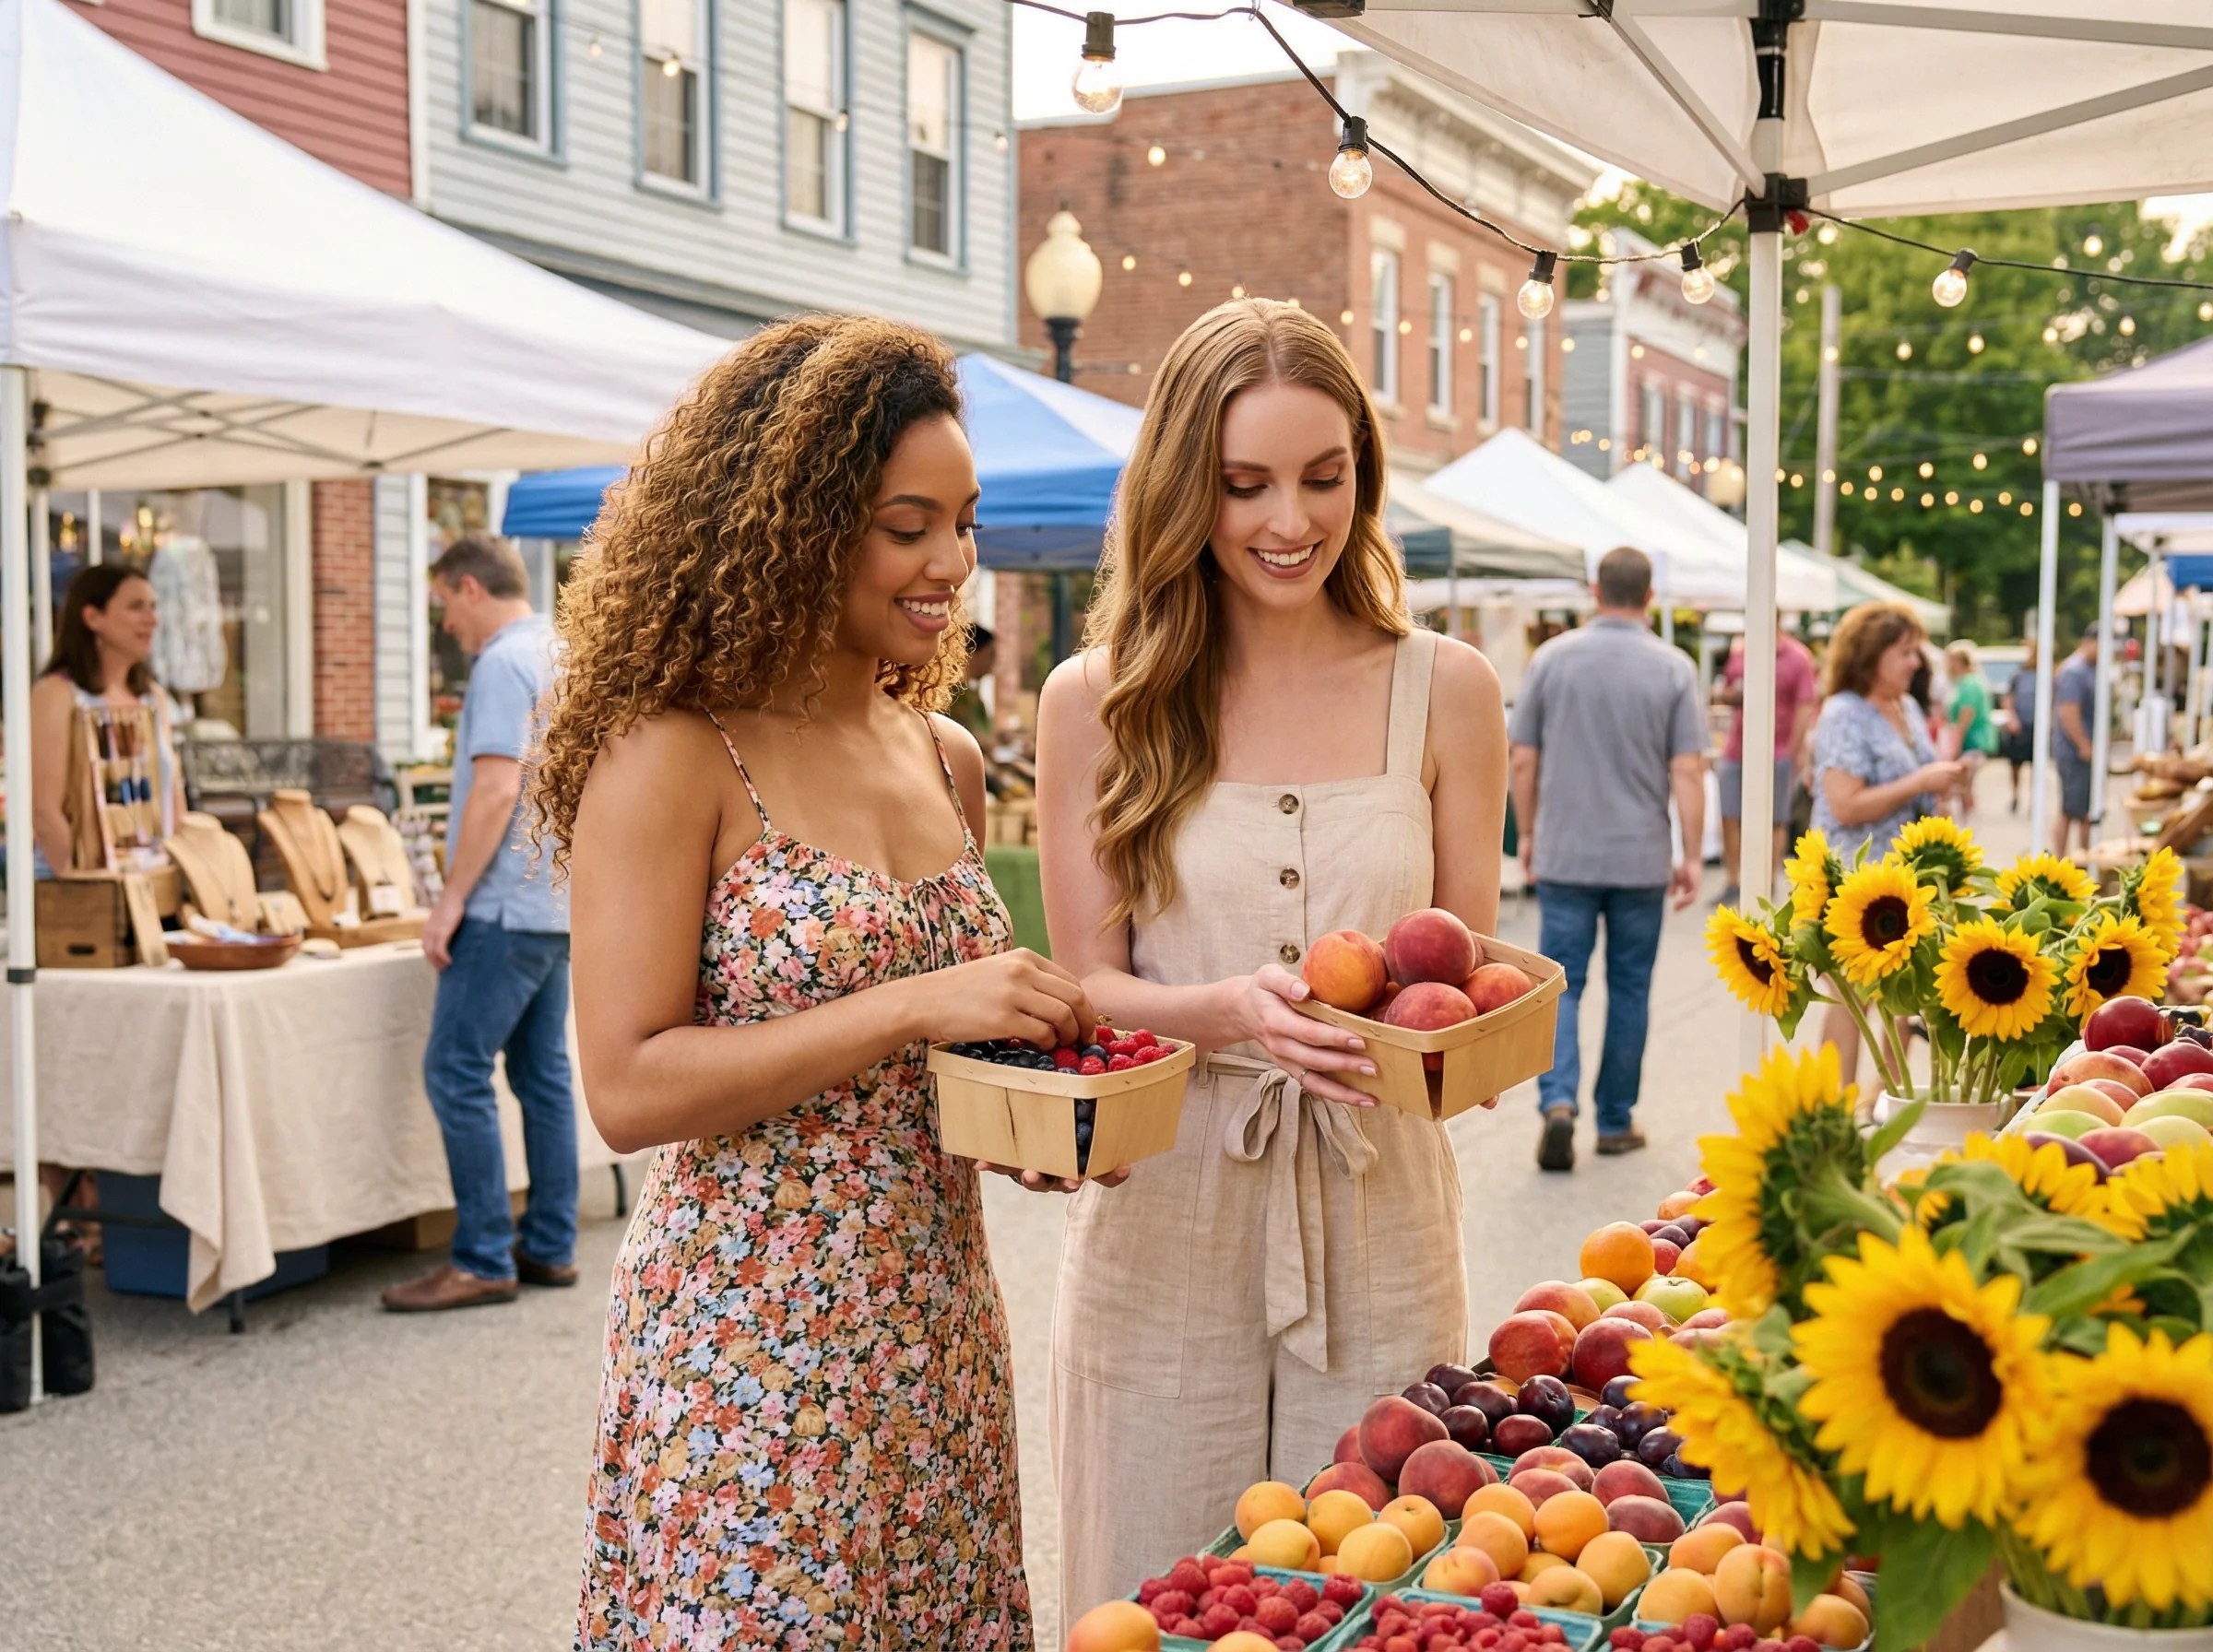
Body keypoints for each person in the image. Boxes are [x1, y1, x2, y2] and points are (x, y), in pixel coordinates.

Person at [540, 315, 1098, 1648]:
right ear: (791, 523)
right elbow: (626, 1086)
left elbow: (935, 1060)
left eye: (964, 524)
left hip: (933, 1327)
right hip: (747, 1351)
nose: (952, 563)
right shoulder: (673, 753)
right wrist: (915, 1006)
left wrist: (1027, 1118)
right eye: (910, 526)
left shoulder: (944, 755)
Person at [1034, 298, 1507, 1622]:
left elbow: (1461, 981)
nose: (1290, 520)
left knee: (1369, 1601)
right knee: (1149, 1599)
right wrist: (1230, 1009)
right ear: (1186, 488)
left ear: (1364, 471)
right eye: (1244, 485)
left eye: (1323, 476)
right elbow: (1088, 986)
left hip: (1381, 1212)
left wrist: (1477, 1048)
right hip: (1163, 1216)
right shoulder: (1097, 699)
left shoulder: (1448, 687)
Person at [382, 535, 578, 1312]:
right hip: (555, 901)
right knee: (542, 1076)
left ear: (470, 588)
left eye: (444, 605)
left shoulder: (502, 662)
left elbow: (497, 789)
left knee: (455, 1070)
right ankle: (550, 1246)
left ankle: (482, 1257)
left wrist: (451, 898)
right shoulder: (564, 652)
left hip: (502, 903)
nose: (445, 625)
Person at [1509, 547, 1705, 1172]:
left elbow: (1522, 759)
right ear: (1649, 598)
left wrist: (1529, 834)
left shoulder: (1551, 659)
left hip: (1567, 851)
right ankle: (1616, 1121)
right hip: (1639, 856)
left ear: (1595, 592)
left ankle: (1558, 1101)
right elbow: (1688, 770)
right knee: (1630, 989)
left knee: (1561, 986)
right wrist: (1692, 855)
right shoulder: (1674, 669)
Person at [1806, 601, 1965, 1083]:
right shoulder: (1844, 714)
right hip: (1852, 884)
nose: (1916, 663)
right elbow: (1844, 804)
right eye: (1904, 652)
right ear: (1869, 655)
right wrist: (1920, 782)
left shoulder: (1906, 707)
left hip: (1902, 881)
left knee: (1903, 1001)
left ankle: (1885, 1103)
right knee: (1850, 999)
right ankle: (1838, 1104)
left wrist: (1940, 789)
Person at [30, 564, 184, 876]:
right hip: (81, 888)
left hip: (154, 880)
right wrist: (92, 884)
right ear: (92, 617)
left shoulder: (153, 698)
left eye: (153, 607)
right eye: (136, 607)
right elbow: (44, 810)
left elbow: (174, 799)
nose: (152, 620)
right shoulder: (57, 695)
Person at [1712, 630, 1817, 906]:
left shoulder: (1798, 658)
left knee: (1776, 817)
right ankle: (1733, 880)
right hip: (1738, 747)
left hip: (1778, 748)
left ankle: (1767, 881)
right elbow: (1728, 688)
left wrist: (1794, 750)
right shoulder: (1741, 652)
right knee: (1729, 813)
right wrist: (1732, 694)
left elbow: (1805, 704)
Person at [2053, 626, 2101, 856]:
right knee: (2070, 808)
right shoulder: (2074, 671)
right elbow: (2068, 712)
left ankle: (2084, 855)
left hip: (2081, 749)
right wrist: (2084, 744)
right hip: (2074, 751)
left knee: (2084, 810)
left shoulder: (2088, 669)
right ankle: (2062, 859)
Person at [1944, 640, 1999, 816]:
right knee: (1965, 783)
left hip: (1972, 741)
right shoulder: (1971, 681)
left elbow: (1966, 713)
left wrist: (1956, 741)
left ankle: (1968, 818)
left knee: (1963, 782)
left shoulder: (1969, 684)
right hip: (1974, 740)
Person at [2001, 638, 2039, 813]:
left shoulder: (2044, 675)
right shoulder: (2019, 676)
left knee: (2036, 765)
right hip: (2020, 724)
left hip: (2035, 725)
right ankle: (2016, 795)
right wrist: (2012, 718)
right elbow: (2008, 698)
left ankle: (2034, 799)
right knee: (2016, 764)